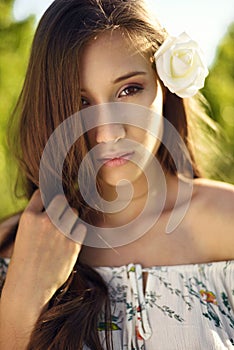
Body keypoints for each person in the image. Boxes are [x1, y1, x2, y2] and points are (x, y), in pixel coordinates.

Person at [0, 0, 233, 349]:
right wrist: (22, 300)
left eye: (128, 90)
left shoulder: (226, 221)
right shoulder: (11, 250)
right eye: (81, 103)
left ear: (164, 87)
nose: (108, 133)